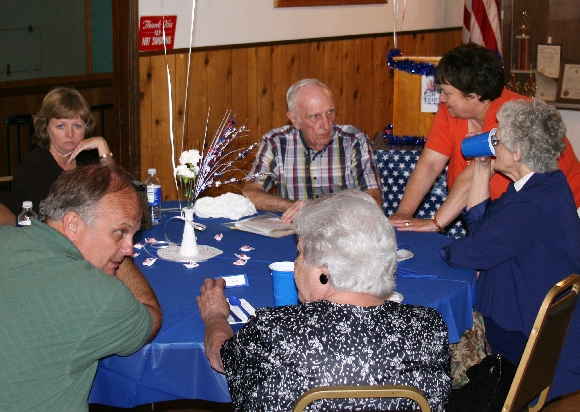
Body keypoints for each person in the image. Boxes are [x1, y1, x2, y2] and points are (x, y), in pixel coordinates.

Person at [197, 190, 450, 411]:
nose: (297, 263)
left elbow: (221, 357)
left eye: (300, 253)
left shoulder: (275, 331)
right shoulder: (428, 328)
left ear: (323, 273)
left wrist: (215, 316)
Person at [441, 99, 580, 401]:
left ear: (517, 153)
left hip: (537, 344)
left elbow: (469, 252)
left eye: (497, 140)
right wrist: (481, 168)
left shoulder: (531, 205)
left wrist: (440, 251)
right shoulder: (543, 185)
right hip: (546, 323)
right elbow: (482, 226)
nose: (492, 144)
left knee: (444, 347)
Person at [0, 164, 162, 411]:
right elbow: (150, 317)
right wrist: (118, 260)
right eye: (120, 231)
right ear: (73, 225)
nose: (130, 248)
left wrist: (113, 244)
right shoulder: (100, 294)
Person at [389, 43, 580, 242]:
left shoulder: (511, 116)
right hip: (505, 211)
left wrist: (436, 223)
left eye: (447, 92)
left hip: (556, 205)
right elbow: (430, 163)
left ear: (474, 96)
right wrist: (404, 214)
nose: (441, 98)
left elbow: (475, 175)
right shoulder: (451, 110)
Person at [243, 79, 382, 222]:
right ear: (294, 120)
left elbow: (373, 199)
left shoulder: (354, 140)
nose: (327, 125)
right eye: (315, 116)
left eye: (330, 112)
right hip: (294, 231)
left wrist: (317, 208)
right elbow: (250, 193)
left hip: (342, 229)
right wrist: (292, 207)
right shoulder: (276, 142)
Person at [10, 86, 116, 215]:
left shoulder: (88, 159)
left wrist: (102, 146)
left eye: (77, 126)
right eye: (61, 126)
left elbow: (117, 195)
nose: (70, 134)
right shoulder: (34, 167)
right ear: (46, 128)